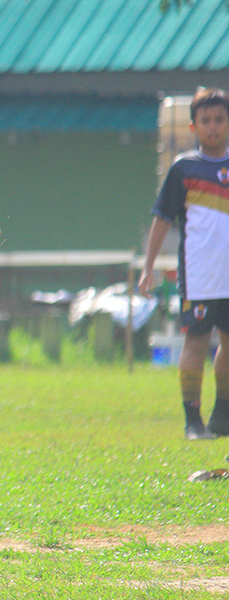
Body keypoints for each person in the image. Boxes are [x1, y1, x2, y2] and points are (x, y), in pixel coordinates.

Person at [138, 87, 229, 441]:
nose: (213, 127)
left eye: (219, 119)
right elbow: (162, 218)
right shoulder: (184, 168)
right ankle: (193, 420)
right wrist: (149, 267)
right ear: (193, 127)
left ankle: (222, 416)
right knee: (196, 341)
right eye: (205, 120)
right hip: (200, 276)